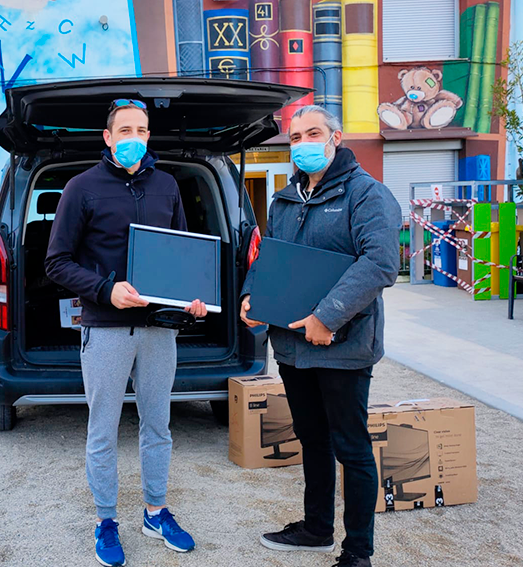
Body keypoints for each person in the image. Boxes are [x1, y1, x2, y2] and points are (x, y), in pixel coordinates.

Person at [45, 99, 206, 567]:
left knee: (158, 425)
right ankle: (106, 520)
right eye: (125, 129)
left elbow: (181, 254)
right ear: (108, 137)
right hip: (107, 327)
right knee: (103, 429)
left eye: (142, 128)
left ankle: (155, 512)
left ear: (149, 136)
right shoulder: (82, 188)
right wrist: (104, 290)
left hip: (158, 331)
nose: (135, 135)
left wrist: (190, 299)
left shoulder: (167, 185)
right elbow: (56, 262)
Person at [240, 105, 400, 567]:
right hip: (292, 347)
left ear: (336, 137)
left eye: (313, 133)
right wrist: (254, 297)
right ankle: (316, 529)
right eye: (295, 137)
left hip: (344, 345)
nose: (304, 143)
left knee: (350, 444)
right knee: (312, 437)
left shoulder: (367, 195)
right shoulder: (285, 199)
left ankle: (358, 552)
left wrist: (328, 318)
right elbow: (270, 256)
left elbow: (379, 262)